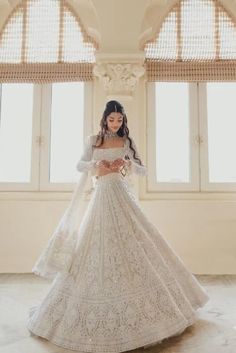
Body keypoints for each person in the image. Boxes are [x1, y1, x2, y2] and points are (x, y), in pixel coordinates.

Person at [27, 100, 209, 352]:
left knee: (138, 246)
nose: (115, 123)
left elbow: (143, 171)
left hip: (122, 196)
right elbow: (79, 165)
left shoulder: (125, 143)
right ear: (104, 119)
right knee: (95, 248)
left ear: (123, 121)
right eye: (112, 119)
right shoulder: (93, 140)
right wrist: (96, 165)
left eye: (119, 120)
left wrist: (127, 164)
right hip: (101, 197)